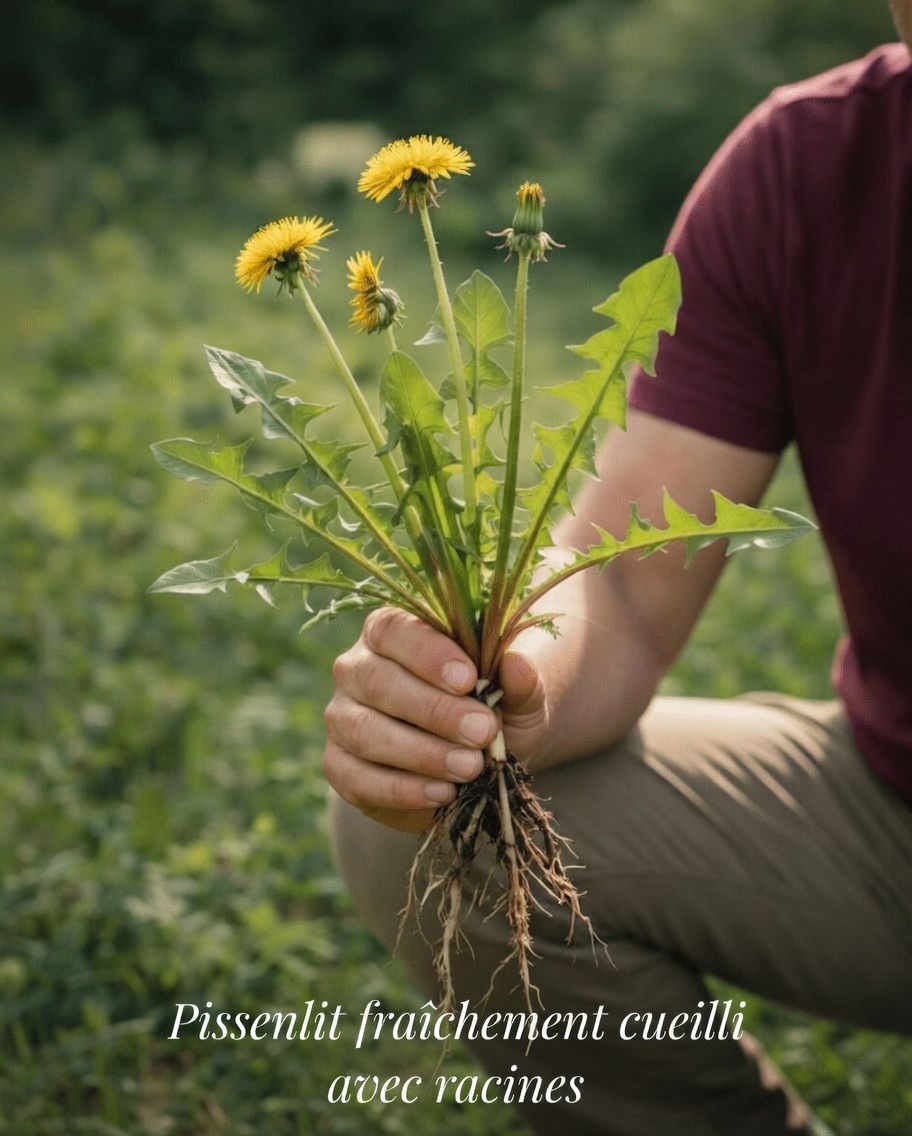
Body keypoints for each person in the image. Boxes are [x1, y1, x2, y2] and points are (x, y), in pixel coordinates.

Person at [322, 10, 912, 1134]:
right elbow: (628, 576)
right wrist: (511, 679)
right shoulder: (810, 163)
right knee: (443, 821)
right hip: (894, 808)